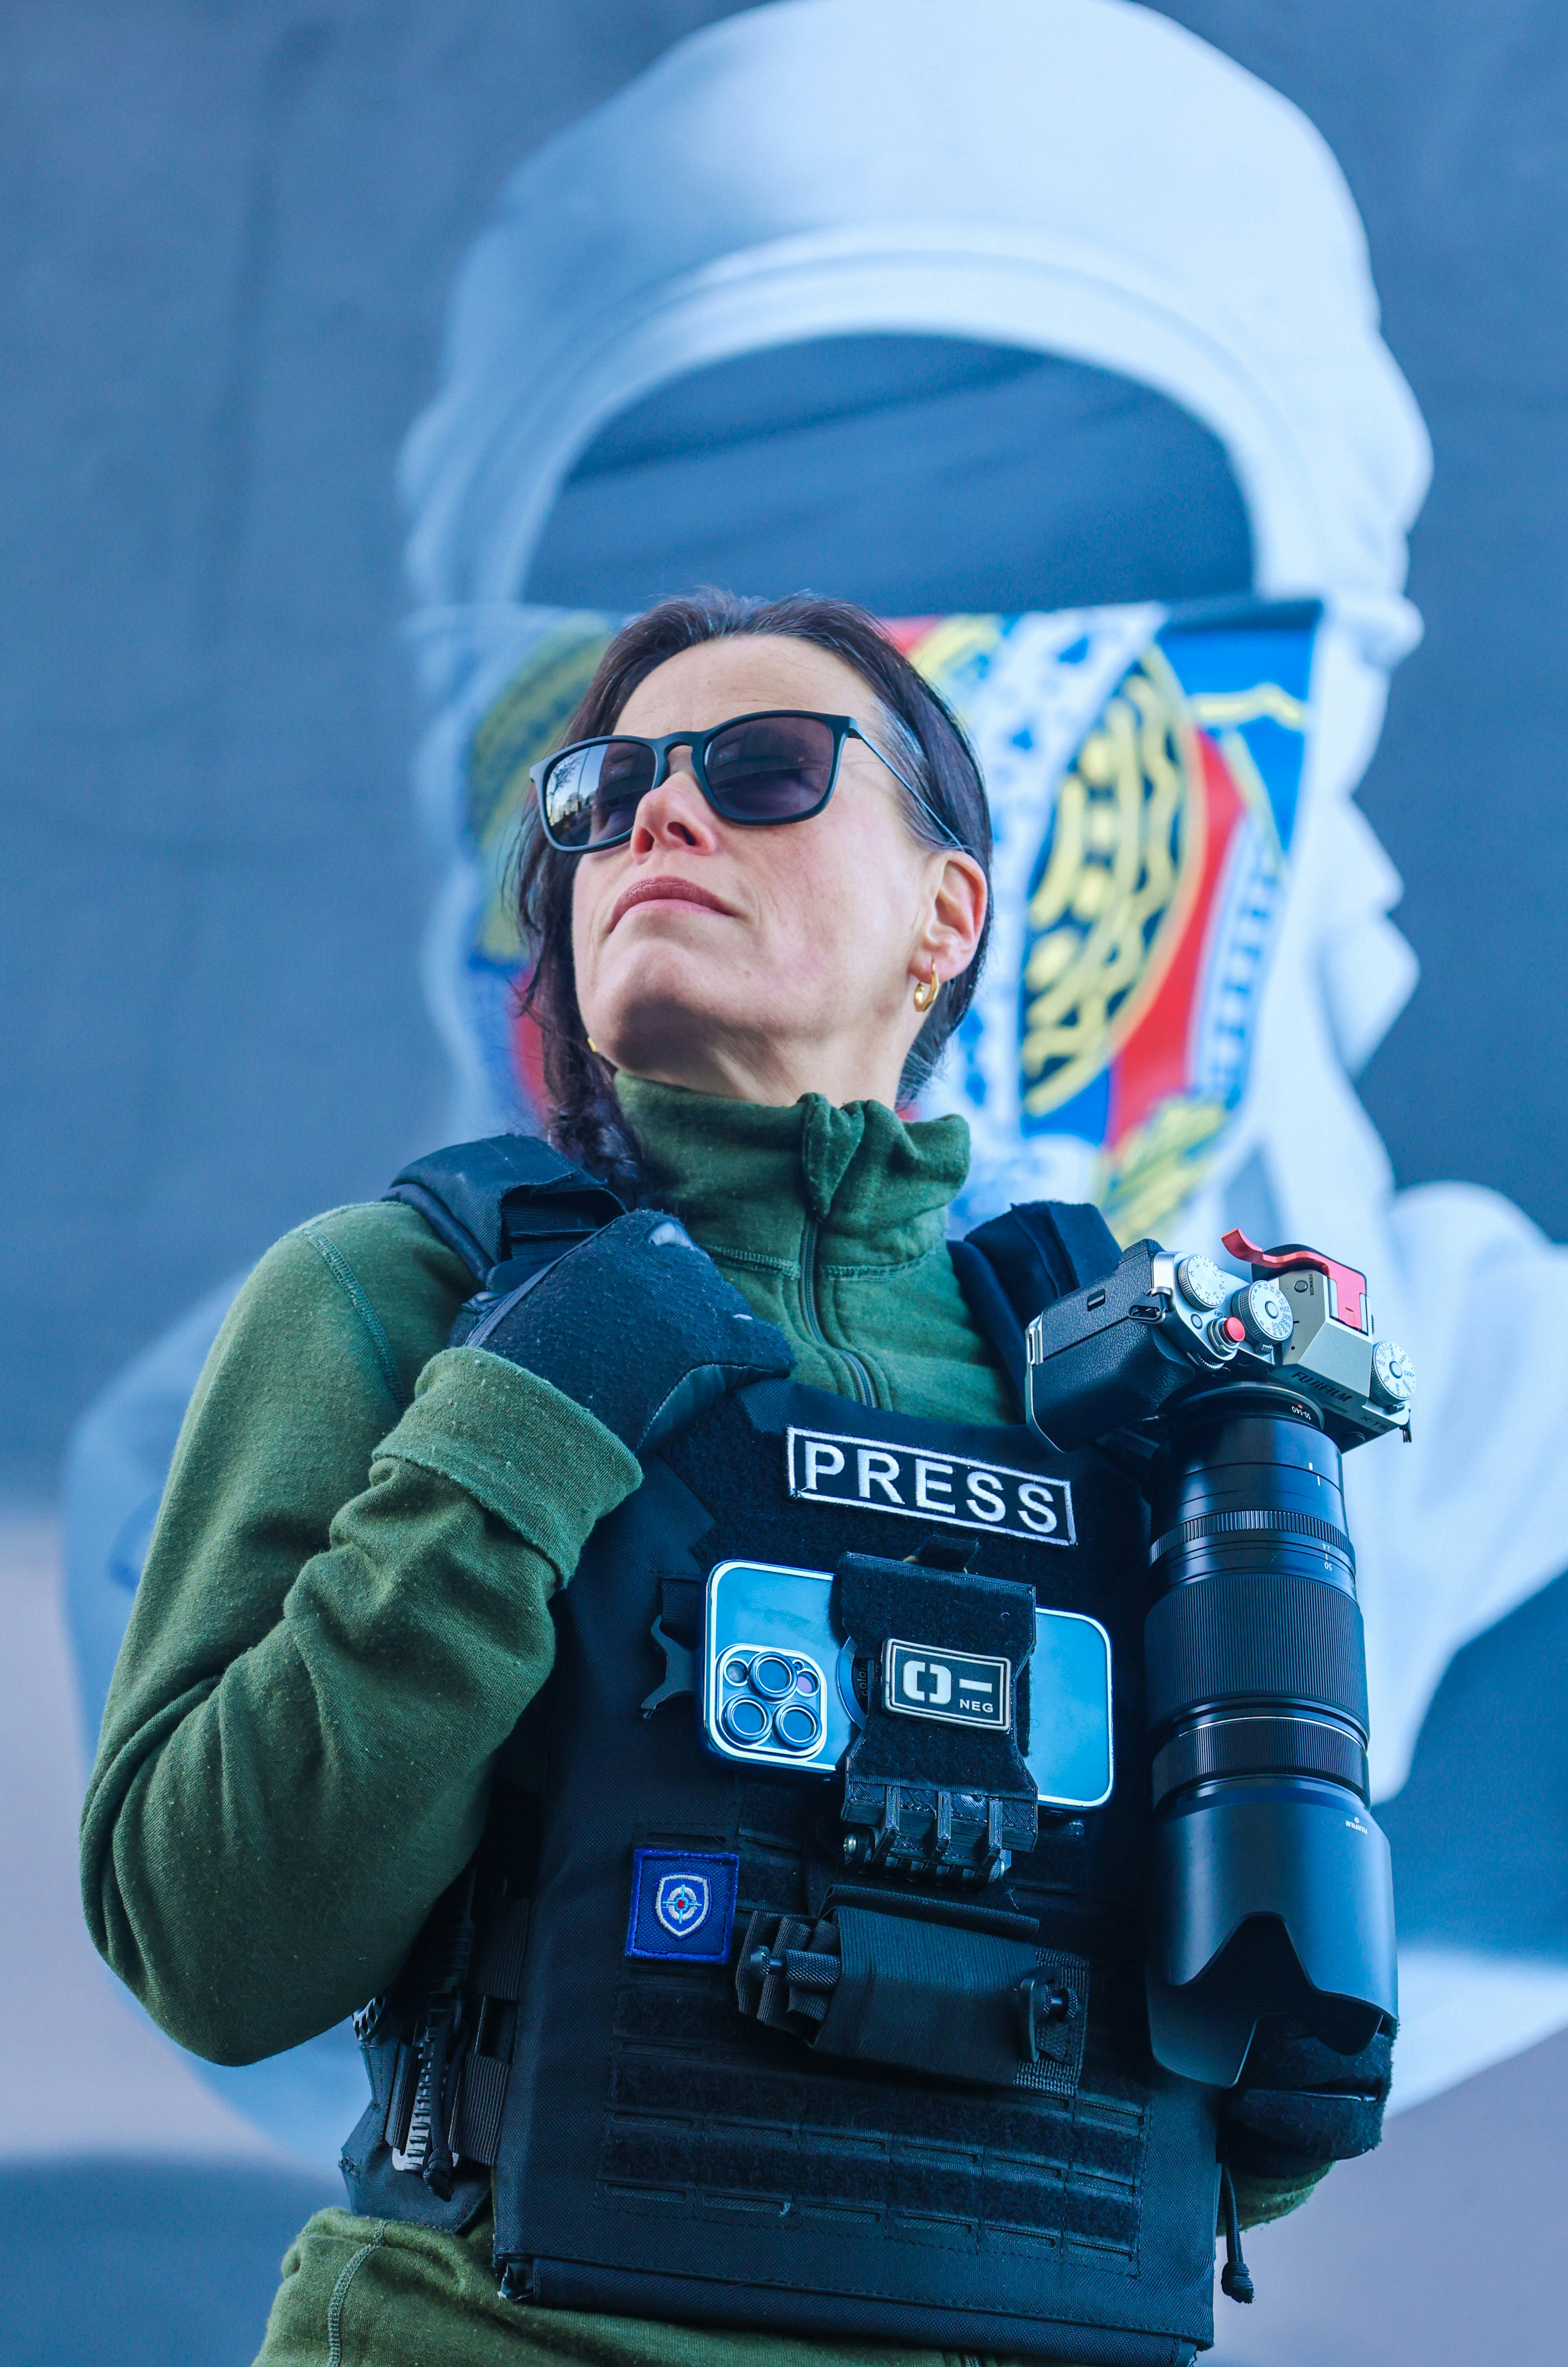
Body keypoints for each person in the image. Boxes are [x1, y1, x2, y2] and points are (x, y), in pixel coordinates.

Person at [82, 594, 1371, 2367]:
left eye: (762, 772)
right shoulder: (409, 1300)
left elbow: (1225, 2106)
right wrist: (520, 1423)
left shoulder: (1130, 1404)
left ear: (948, 915)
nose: (657, 820)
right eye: (604, 798)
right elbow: (214, 1945)